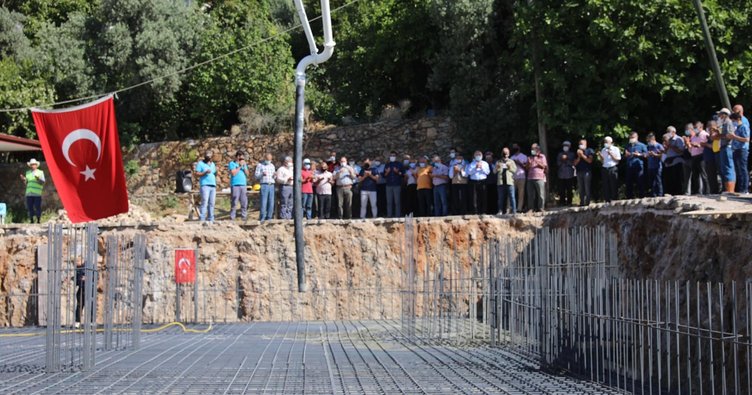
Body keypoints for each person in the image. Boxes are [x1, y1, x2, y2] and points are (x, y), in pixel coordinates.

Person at [730, 112, 750, 194]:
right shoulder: (736, 128)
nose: (732, 122)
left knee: (743, 169)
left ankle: (745, 189)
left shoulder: (744, 127)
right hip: (735, 150)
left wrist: (735, 137)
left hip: (742, 150)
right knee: (738, 170)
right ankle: (740, 188)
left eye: (733, 120)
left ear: (738, 119)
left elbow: (746, 139)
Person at [717, 109, 736, 193]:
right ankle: (728, 190)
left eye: (720, 114)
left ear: (725, 114)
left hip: (727, 147)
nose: (719, 116)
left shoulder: (728, 122)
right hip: (723, 147)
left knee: (728, 168)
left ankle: (730, 190)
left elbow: (730, 135)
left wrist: (720, 135)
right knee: (724, 168)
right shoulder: (724, 123)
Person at [663, 126, 685, 196]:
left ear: (674, 132)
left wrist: (671, 146)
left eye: (669, 131)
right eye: (667, 131)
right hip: (669, 162)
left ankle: (679, 193)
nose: (668, 133)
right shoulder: (668, 140)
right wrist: (666, 147)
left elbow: (681, 151)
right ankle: (671, 193)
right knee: (670, 179)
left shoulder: (678, 139)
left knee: (677, 179)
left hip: (677, 161)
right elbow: (666, 152)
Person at [624, 132, 647, 199]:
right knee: (629, 182)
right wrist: (626, 155)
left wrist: (639, 155)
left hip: (638, 165)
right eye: (630, 138)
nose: (631, 139)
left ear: (637, 137)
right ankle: (629, 197)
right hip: (629, 165)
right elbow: (624, 155)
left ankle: (642, 197)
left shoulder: (642, 145)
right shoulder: (627, 145)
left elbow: (646, 155)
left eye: (632, 137)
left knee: (640, 181)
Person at [21, 158, 45, 223]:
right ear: (30, 165)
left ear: (36, 165)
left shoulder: (40, 172)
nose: (33, 166)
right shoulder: (28, 173)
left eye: (34, 164)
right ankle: (31, 220)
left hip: (37, 193)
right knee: (30, 207)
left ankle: (38, 220)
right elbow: (26, 183)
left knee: (37, 207)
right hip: (29, 193)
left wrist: (37, 178)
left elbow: (42, 182)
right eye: (32, 164)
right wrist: (23, 179)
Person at [195, 150, 217, 223]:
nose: (208, 157)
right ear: (205, 156)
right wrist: (204, 172)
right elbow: (197, 173)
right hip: (205, 185)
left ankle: (211, 219)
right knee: (204, 202)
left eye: (210, 155)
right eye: (207, 155)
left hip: (213, 185)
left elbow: (214, 173)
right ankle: (202, 219)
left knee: (212, 203)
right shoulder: (201, 163)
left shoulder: (213, 164)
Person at [688, 122, 709, 195]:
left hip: (701, 155)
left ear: (701, 127)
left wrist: (698, 145)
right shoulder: (694, 136)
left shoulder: (705, 134)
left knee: (703, 174)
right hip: (694, 156)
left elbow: (707, 145)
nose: (695, 129)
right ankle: (697, 191)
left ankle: (707, 191)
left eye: (696, 127)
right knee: (695, 174)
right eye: (694, 127)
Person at [598, 137, 621, 203]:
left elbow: (618, 159)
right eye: (604, 142)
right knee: (605, 185)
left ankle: (614, 200)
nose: (605, 143)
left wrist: (611, 154)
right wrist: (600, 156)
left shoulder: (615, 149)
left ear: (611, 142)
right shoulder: (603, 149)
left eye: (606, 142)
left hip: (613, 168)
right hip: (605, 168)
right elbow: (603, 161)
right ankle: (607, 200)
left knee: (613, 184)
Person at [466, 150, 490, 214]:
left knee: (483, 196)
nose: (478, 156)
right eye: (477, 155)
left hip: (483, 181)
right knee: (474, 197)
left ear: (482, 156)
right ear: (474, 156)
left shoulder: (485, 163)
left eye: (479, 155)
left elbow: (487, 172)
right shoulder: (472, 164)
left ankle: (483, 211)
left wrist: (481, 168)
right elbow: (469, 173)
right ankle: (475, 211)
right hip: (474, 181)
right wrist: (475, 168)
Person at [525, 143, 548, 212]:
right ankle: (531, 208)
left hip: (539, 177)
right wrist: (528, 164)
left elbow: (544, 166)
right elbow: (526, 168)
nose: (532, 150)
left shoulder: (542, 156)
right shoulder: (529, 157)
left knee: (541, 194)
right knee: (530, 194)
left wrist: (537, 162)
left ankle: (541, 207)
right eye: (532, 149)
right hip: (530, 178)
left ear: (538, 149)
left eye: (533, 148)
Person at [228, 151, 249, 221]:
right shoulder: (232, 164)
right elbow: (233, 173)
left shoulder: (244, 164)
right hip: (235, 185)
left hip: (243, 185)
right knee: (234, 202)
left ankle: (244, 217)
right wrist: (239, 166)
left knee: (244, 202)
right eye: (239, 157)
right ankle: (232, 217)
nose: (241, 158)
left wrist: (244, 166)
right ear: (236, 157)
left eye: (242, 157)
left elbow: (247, 174)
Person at [495, 147, 517, 214]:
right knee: (500, 198)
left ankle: (514, 211)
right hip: (501, 183)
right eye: (504, 153)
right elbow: (494, 171)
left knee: (512, 197)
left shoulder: (511, 161)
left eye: (506, 153)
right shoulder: (498, 162)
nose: (505, 154)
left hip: (509, 182)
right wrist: (497, 168)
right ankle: (500, 211)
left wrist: (509, 167)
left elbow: (514, 171)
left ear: (509, 154)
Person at [255, 153, 276, 222]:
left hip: (271, 185)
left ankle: (269, 217)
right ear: (265, 158)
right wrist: (262, 174)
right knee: (263, 202)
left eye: (270, 159)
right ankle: (262, 218)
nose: (269, 161)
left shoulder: (272, 166)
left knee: (271, 202)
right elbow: (256, 176)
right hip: (264, 185)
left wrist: (275, 175)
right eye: (267, 159)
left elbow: (274, 177)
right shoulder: (260, 165)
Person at [573, 140, 594, 206]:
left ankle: (587, 202)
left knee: (587, 187)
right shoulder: (577, 152)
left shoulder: (589, 151)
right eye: (579, 144)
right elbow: (575, 163)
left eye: (582, 144)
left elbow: (589, 161)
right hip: (579, 172)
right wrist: (579, 156)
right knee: (581, 188)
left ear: (586, 144)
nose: (580, 145)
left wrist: (582, 155)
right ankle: (581, 202)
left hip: (587, 172)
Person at [383, 151, 404, 218]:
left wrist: (397, 172)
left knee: (397, 201)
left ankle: (397, 215)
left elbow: (403, 174)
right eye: (391, 155)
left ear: (396, 157)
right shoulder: (387, 164)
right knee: (389, 201)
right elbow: (384, 175)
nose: (392, 157)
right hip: (388, 185)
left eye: (393, 155)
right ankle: (389, 215)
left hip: (397, 184)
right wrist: (387, 172)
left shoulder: (399, 164)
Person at [703, 120, 721, 194]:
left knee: (716, 175)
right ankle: (712, 191)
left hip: (714, 158)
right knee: (710, 176)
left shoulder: (717, 134)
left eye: (710, 127)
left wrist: (705, 144)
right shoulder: (708, 136)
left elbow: (715, 146)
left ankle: (716, 191)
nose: (709, 129)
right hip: (707, 158)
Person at [556, 141, 576, 206]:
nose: (565, 147)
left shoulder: (572, 154)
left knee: (569, 189)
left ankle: (569, 202)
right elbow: (558, 163)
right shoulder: (560, 154)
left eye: (567, 145)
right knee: (562, 189)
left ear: (569, 146)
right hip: (561, 174)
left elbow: (573, 163)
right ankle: (562, 202)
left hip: (569, 174)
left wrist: (566, 159)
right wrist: (562, 160)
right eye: (564, 145)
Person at [646, 133, 665, 197]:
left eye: (649, 140)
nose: (648, 142)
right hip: (650, 166)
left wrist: (655, 154)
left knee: (658, 180)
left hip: (657, 166)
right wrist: (648, 154)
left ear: (653, 139)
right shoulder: (649, 146)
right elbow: (646, 155)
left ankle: (660, 194)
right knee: (652, 181)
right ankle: (653, 194)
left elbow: (663, 155)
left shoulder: (659, 146)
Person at [511, 144, 528, 212]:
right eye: (513, 147)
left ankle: (519, 208)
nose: (514, 148)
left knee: (521, 194)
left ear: (519, 148)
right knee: (512, 194)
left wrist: (519, 163)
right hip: (513, 177)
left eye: (516, 147)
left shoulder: (524, 156)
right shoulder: (511, 157)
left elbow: (526, 167)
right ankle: (511, 208)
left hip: (521, 177)